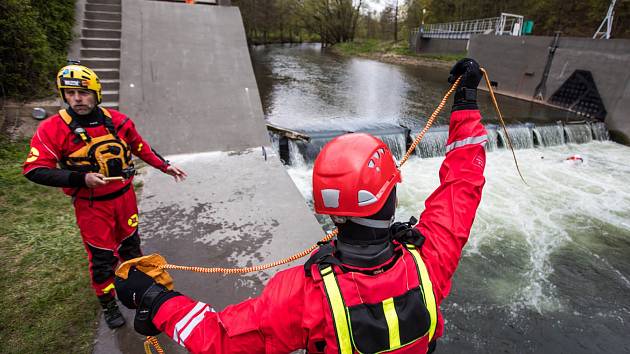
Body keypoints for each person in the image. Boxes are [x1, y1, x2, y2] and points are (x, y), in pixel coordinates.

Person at [114, 58, 487, 353]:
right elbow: (462, 184)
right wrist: (466, 102)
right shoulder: (432, 253)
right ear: (390, 195)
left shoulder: (301, 294)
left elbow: (219, 339)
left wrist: (155, 300)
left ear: (327, 207)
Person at [22, 63, 187, 329]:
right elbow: (34, 169)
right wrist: (80, 179)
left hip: (124, 199)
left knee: (132, 248)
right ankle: (108, 302)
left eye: (84, 93)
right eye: (70, 93)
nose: (77, 99)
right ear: (64, 95)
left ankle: (141, 291)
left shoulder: (118, 122)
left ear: (96, 93)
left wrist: (165, 166)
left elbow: (140, 146)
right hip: (92, 206)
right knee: (102, 259)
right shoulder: (53, 129)